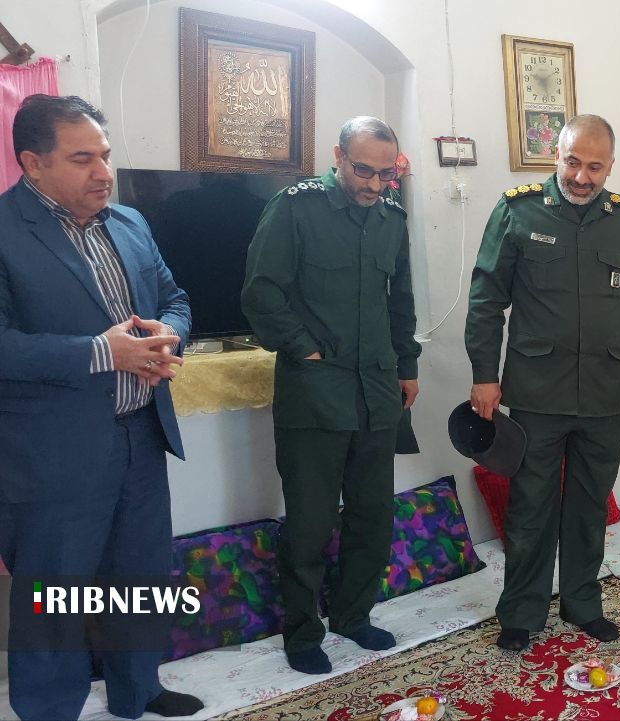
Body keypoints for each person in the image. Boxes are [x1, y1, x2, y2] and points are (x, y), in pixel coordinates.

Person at [0, 94, 202, 719]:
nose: (103, 173)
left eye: (106, 155)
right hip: (52, 451)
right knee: (54, 594)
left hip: (140, 433)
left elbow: (175, 298)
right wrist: (99, 352)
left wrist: (169, 332)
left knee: (141, 577)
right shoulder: (5, 231)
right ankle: (48, 710)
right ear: (33, 163)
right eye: (82, 158)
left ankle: (137, 689)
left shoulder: (130, 223)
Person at [466, 114, 620, 652]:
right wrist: (484, 375)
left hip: (604, 392)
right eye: (572, 162)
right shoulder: (517, 211)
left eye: (594, 167)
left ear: (610, 166)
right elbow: (486, 299)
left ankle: (582, 603)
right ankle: (521, 611)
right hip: (536, 392)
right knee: (530, 506)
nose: (582, 177)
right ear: (555, 156)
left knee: (589, 505)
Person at [242, 116, 421, 675]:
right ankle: (302, 634)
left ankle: (353, 615)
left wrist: (407, 365)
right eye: (363, 170)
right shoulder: (295, 208)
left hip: (377, 390)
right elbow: (261, 293)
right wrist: (305, 349)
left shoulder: (391, 217)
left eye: (385, 175)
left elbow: (401, 300)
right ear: (338, 157)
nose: (374, 184)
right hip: (315, 392)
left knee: (372, 516)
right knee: (310, 524)